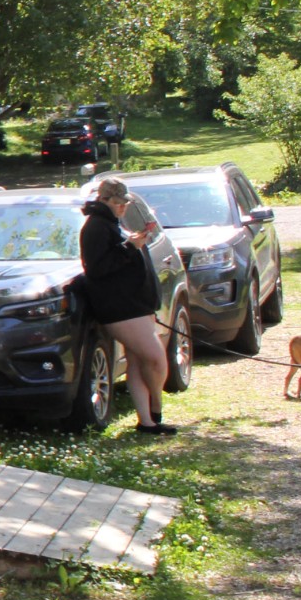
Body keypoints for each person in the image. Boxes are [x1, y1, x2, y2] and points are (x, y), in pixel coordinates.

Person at [80, 177, 174, 434]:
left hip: (136, 304)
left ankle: (147, 421)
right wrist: (130, 247)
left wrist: (133, 242)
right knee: (156, 359)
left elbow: (119, 254)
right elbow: (97, 268)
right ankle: (156, 408)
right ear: (104, 200)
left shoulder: (111, 223)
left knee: (137, 361)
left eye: (125, 203)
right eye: (118, 203)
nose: (123, 207)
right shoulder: (96, 226)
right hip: (121, 308)